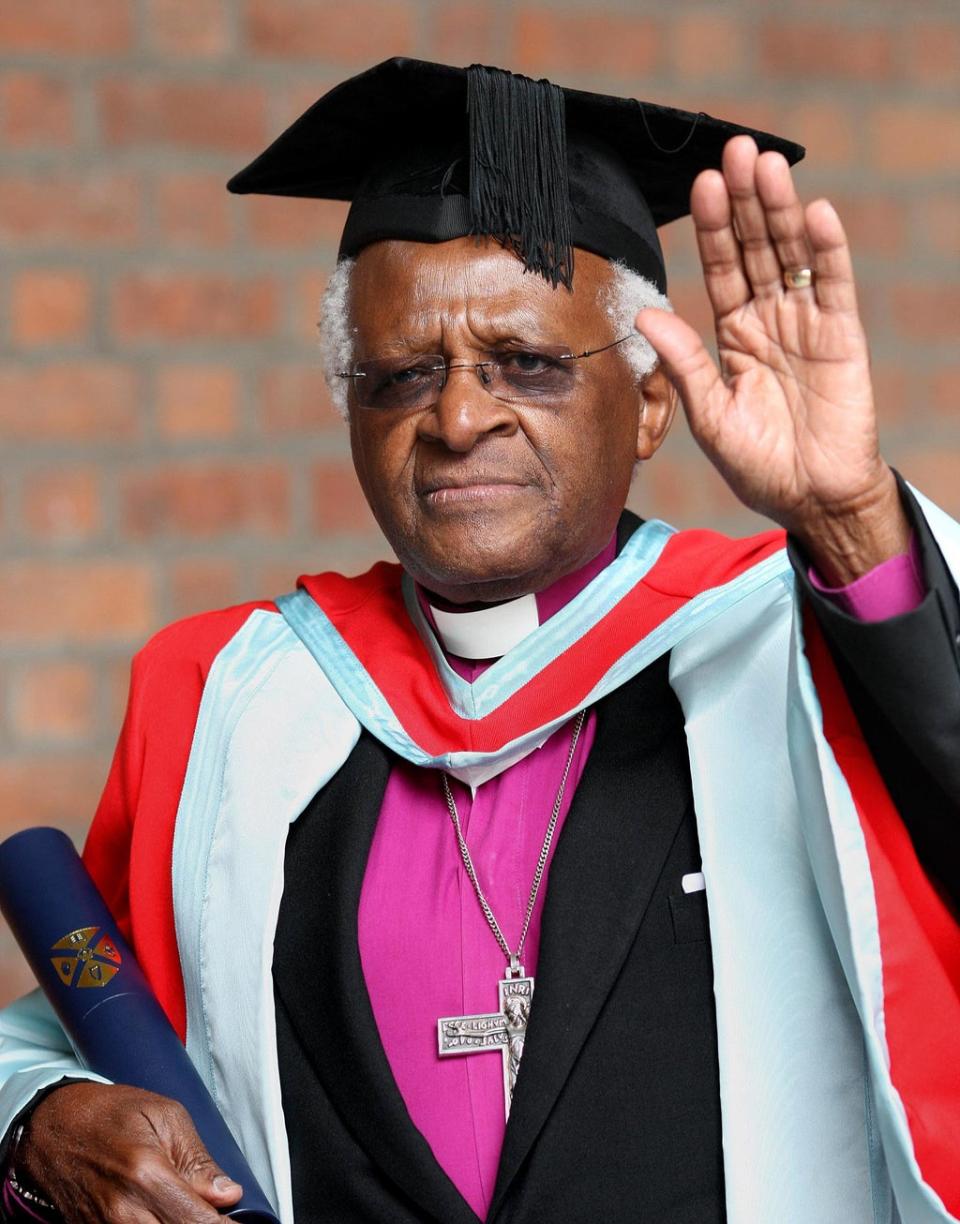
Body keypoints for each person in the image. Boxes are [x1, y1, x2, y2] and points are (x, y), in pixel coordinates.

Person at [0, 57, 958, 1224]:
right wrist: (35, 1121)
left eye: (530, 365)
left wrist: (851, 521)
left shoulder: (804, 643)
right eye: (402, 374)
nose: (458, 418)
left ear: (652, 402)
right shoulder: (230, 699)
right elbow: (83, 1027)